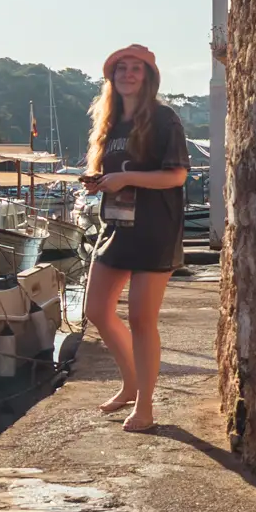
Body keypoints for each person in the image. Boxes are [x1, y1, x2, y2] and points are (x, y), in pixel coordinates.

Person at [82, 44, 190, 433]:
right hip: (115, 227)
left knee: (142, 319)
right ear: (111, 78)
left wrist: (127, 179)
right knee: (97, 310)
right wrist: (100, 184)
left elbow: (176, 176)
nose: (128, 74)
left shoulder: (164, 120)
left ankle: (145, 406)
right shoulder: (110, 123)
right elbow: (114, 173)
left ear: (148, 77)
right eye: (121, 68)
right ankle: (130, 383)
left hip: (154, 229)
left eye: (136, 69)